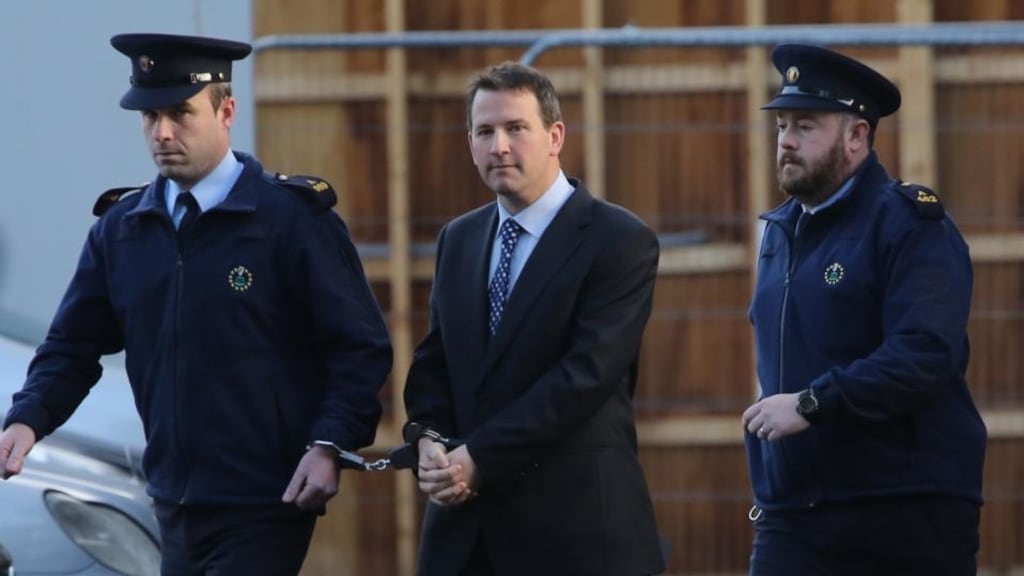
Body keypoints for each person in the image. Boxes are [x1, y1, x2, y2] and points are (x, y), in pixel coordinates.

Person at [0, 33, 392, 575]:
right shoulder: (123, 229)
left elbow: (360, 347)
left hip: (265, 501)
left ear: (226, 111)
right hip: (172, 500)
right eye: (150, 117)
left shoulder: (290, 220)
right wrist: (27, 419)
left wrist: (328, 444)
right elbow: (72, 344)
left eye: (181, 113)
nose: (162, 132)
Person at [401, 62, 666, 576]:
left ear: (555, 136)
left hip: (575, 537)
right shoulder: (459, 239)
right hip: (465, 539)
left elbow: (582, 378)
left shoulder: (618, 240)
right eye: (484, 131)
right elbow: (436, 361)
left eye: (515, 128)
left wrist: (479, 458)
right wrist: (428, 439)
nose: (499, 145)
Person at [741, 43, 987, 575]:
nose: (785, 141)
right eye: (782, 125)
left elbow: (924, 353)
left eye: (805, 126)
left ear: (857, 135)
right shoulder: (780, 232)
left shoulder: (908, 225)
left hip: (901, 509)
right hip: (794, 513)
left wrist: (810, 404)